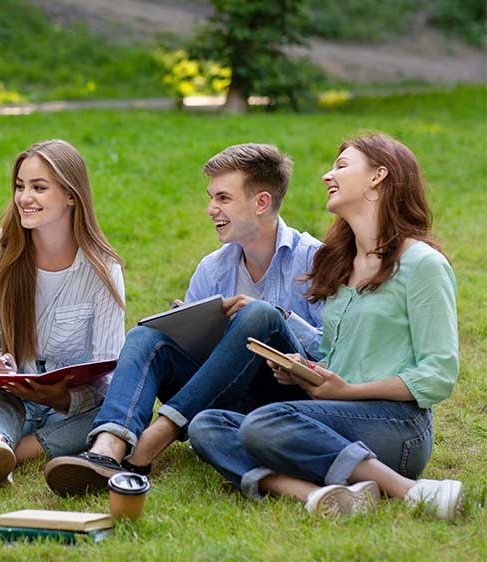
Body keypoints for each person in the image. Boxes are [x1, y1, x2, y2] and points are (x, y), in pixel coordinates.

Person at [188, 133, 463, 520]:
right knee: (207, 424)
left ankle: (411, 491)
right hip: (336, 414)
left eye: (342, 166)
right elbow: (334, 354)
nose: (326, 176)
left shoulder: (421, 264)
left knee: (265, 422)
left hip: (397, 425)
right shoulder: (341, 264)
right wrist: (305, 370)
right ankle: (320, 495)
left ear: (378, 177)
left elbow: (438, 375)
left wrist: (349, 391)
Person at [45, 143, 324, 495]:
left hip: (284, 397)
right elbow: (200, 365)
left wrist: (278, 317)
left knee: (260, 315)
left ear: (261, 202)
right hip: (221, 398)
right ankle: (108, 449)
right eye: (211, 197)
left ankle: (155, 438)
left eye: (223, 198)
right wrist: (187, 325)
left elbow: (334, 352)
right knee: (146, 336)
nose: (211, 209)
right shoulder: (212, 268)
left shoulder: (314, 260)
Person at [0, 139, 126, 485]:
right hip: (6, 400)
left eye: (38, 188)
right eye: (20, 186)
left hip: (68, 410)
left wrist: (62, 398)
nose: (24, 198)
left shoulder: (103, 269)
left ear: (71, 195)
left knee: (118, 418)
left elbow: (109, 368)